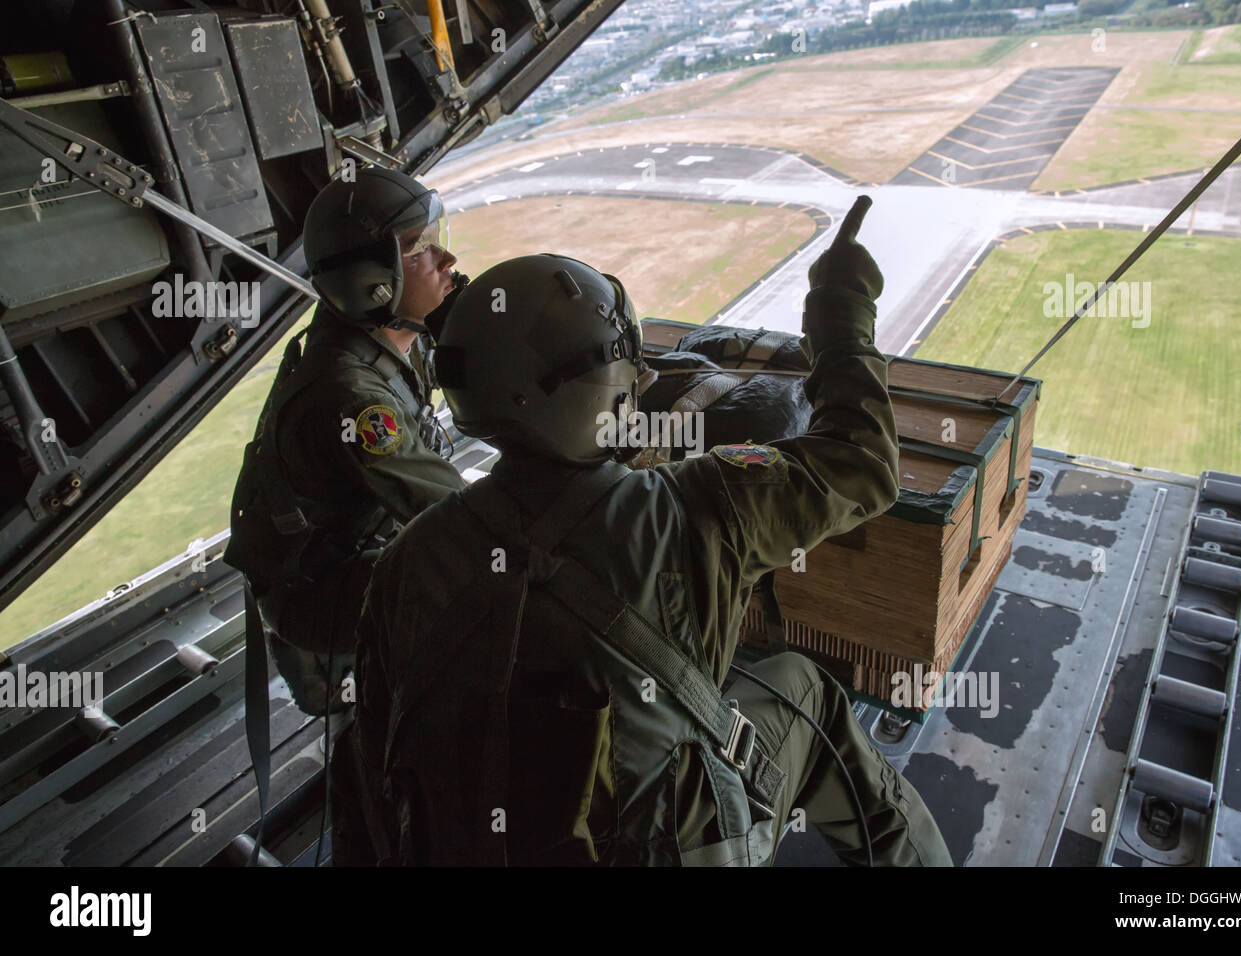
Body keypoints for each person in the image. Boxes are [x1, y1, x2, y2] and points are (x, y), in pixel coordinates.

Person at [333, 197, 953, 866]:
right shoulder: (699, 507)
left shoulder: (405, 561)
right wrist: (841, 315)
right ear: (605, 388)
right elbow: (862, 461)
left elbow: (367, 762)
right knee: (804, 690)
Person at [225, 167, 467, 715]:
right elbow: (456, 515)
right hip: (316, 587)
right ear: (372, 281)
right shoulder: (353, 397)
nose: (448, 261)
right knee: (479, 581)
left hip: (343, 545)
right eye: (421, 250)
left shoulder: (384, 330)